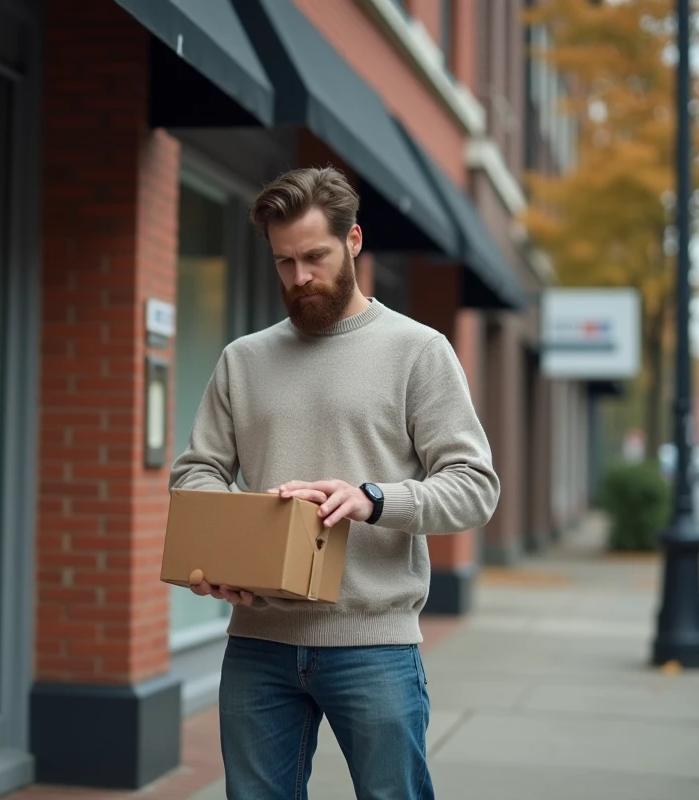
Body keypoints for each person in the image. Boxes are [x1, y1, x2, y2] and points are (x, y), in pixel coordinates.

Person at [168, 166, 501, 800]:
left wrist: (374, 499)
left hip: (372, 645)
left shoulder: (418, 350)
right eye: (284, 262)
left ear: (353, 241)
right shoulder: (244, 358)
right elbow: (198, 472)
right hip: (257, 644)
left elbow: (474, 486)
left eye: (314, 257)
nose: (299, 278)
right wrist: (219, 554)